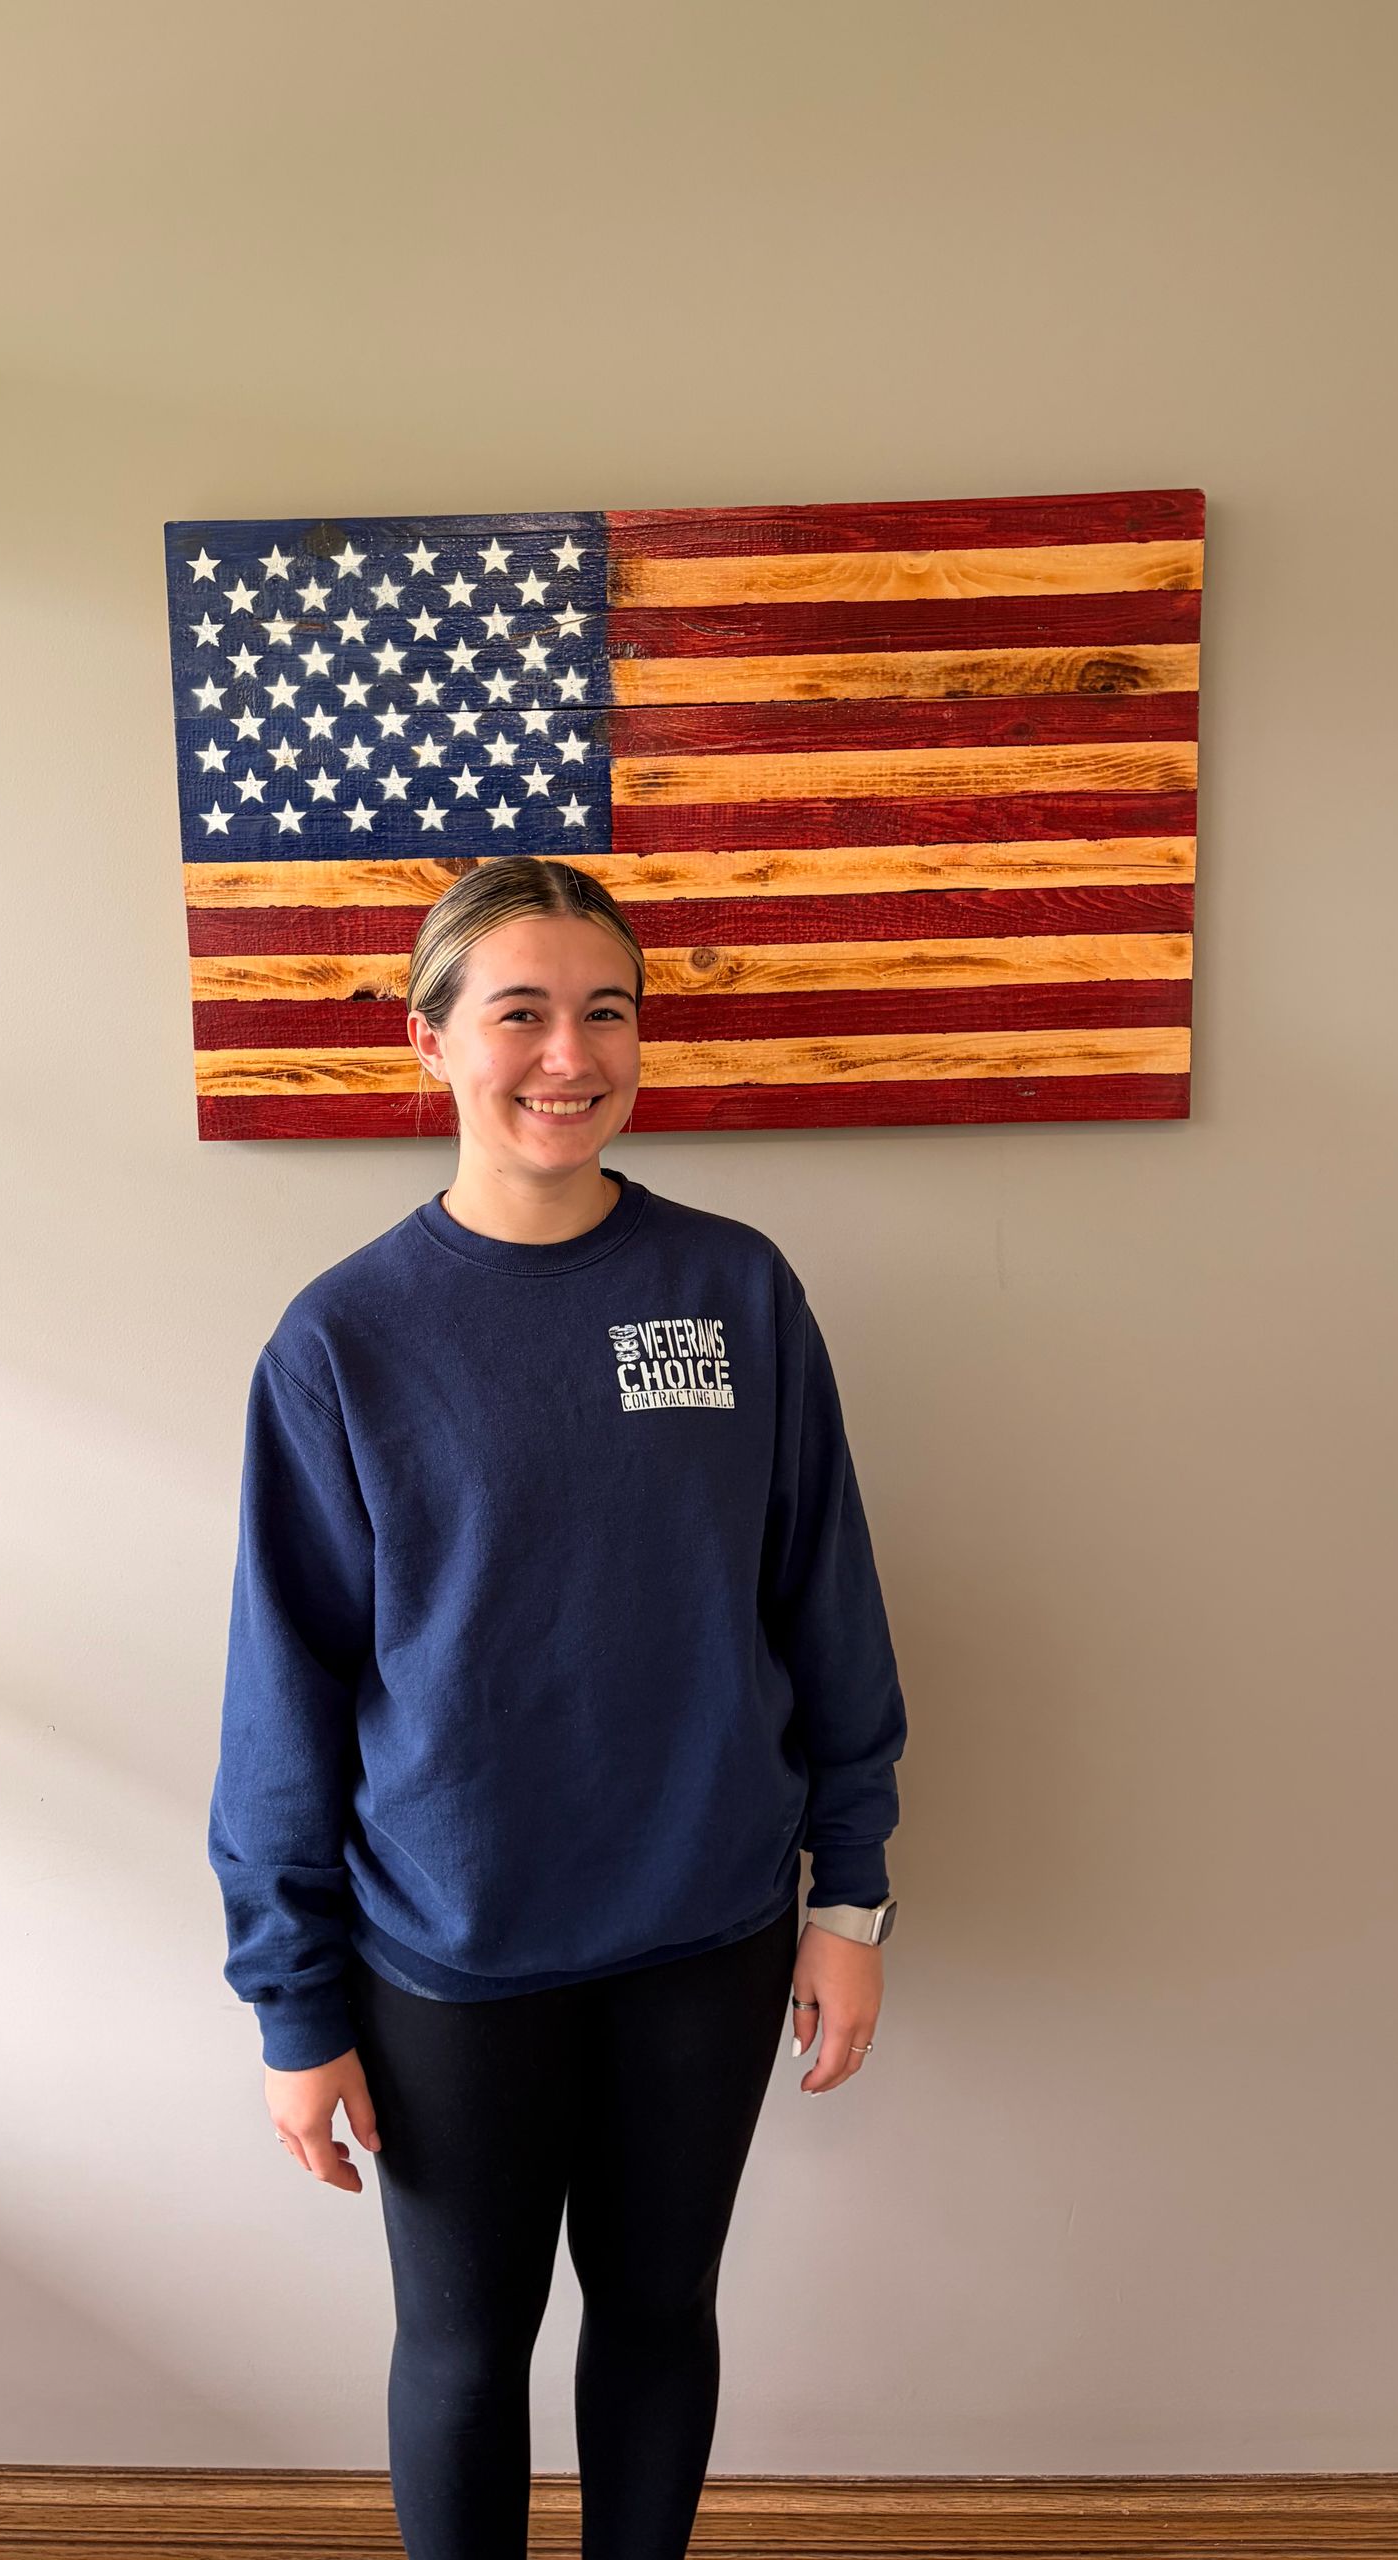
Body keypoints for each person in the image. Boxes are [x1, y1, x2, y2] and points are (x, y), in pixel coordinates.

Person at [207, 855, 907, 2560]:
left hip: (709, 1929)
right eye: (517, 1012)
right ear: (432, 1043)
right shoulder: (344, 1340)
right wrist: (294, 2005)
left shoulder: (734, 1293)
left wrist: (854, 1893)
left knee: (661, 2317)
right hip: (447, 1949)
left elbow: (826, 1604)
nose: (567, 1056)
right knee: (464, 2347)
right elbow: (281, 1694)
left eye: (607, 1013)